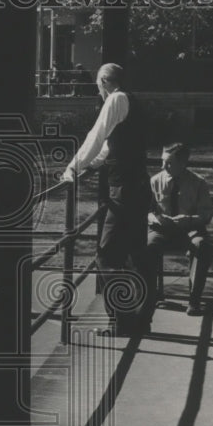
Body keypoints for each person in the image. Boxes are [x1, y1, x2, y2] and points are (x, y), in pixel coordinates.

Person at [62, 63, 151, 336]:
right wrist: (96, 162)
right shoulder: (131, 101)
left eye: (98, 87)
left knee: (107, 256)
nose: (98, 92)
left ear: (103, 82)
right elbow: (111, 146)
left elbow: (96, 135)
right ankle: (141, 319)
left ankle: (123, 321)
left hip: (124, 191)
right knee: (135, 255)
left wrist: (74, 168)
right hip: (136, 187)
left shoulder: (115, 98)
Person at [142, 142, 213, 322]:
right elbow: (146, 210)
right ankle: (149, 297)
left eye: (168, 163)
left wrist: (189, 219)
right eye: (162, 161)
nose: (163, 167)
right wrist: (154, 218)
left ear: (183, 163)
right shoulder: (155, 181)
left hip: (189, 229)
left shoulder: (198, 182)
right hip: (163, 229)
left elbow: (206, 213)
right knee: (148, 246)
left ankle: (194, 300)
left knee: (201, 245)